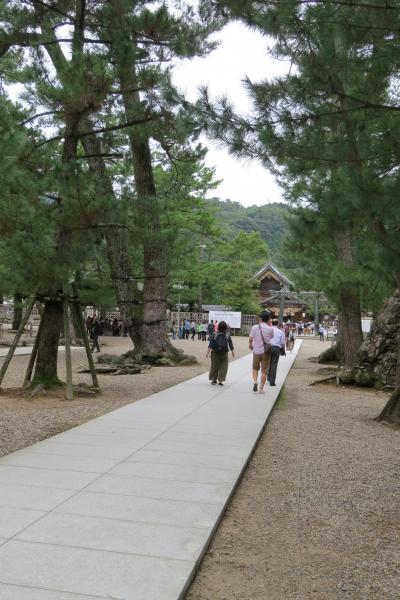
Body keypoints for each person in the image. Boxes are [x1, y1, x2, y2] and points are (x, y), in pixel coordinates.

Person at [249, 311, 274, 394]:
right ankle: (261, 389)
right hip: (266, 352)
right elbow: (271, 337)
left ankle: (255, 381)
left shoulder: (255, 327)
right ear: (268, 320)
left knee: (255, 368)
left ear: (260, 319)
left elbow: (251, 338)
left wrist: (250, 345)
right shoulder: (270, 329)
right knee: (264, 371)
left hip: (256, 351)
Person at [206, 321, 235, 386]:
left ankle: (214, 380)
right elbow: (230, 344)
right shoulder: (227, 335)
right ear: (225, 328)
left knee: (214, 366)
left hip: (215, 353)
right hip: (224, 353)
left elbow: (210, 345)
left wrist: (207, 353)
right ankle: (221, 380)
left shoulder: (214, 334)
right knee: (224, 367)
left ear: (218, 327)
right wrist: (233, 353)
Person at [268, 320, 286, 386]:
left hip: (268, 347)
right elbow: (283, 343)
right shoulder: (281, 332)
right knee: (274, 364)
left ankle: (268, 376)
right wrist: (283, 350)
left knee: (268, 363)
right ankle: (272, 381)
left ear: (272, 323)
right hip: (276, 348)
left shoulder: (268, 330)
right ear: (278, 324)